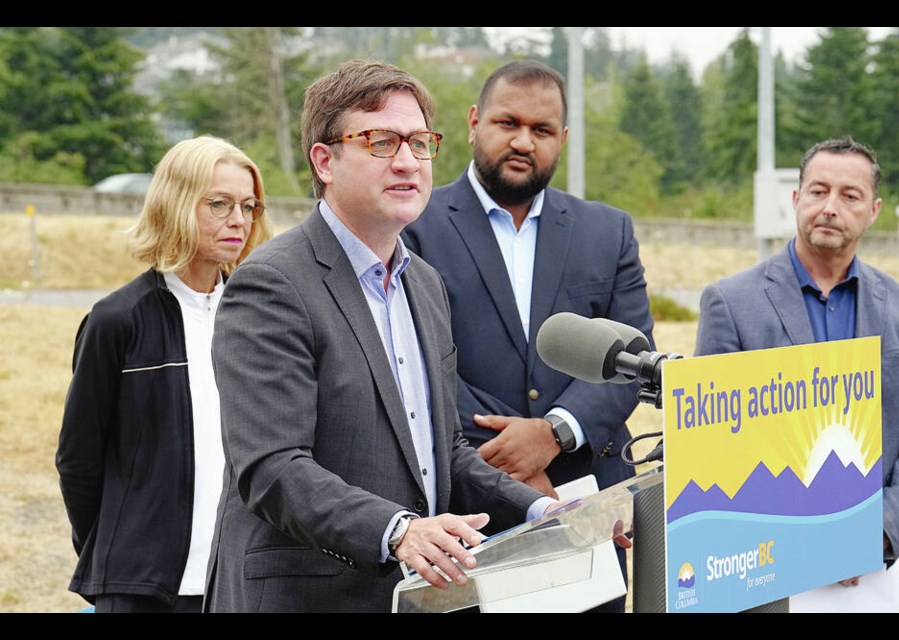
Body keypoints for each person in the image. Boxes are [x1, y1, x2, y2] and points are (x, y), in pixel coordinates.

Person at [203, 59, 559, 614]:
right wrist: (398, 531)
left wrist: (541, 513)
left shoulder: (425, 284)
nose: (407, 162)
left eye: (419, 143)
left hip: (412, 598)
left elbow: (445, 453)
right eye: (380, 141)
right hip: (308, 597)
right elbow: (272, 467)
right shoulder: (272, 283)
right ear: (324, 160)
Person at [402, 60, 656, 612]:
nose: (523, 141)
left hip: (587, 507)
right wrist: (516, 463)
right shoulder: (414, 225)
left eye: (541, 131)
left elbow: (631, 357)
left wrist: (554, 432)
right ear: (473, 122)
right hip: (466, 508)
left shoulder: (607, 231)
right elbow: (413, 362)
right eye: (507, 123)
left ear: (562, 139)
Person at [695, 137, 899, 581]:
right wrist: (806, 542)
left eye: (850, 195)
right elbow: (712, 446)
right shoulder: (731, 304)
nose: (830, 206)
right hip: (764, 566)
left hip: (877, 570)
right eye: (818, 191)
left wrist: (878, 532)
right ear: (797, 199)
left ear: (873, 210)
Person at [55, 135, 273, 613]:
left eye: (248, 206)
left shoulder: (262, 315)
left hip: (240, 579)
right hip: (141, 586)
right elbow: (79, 459)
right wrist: (116, 551)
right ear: (175, 203)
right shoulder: (118, 319)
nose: (238, 219)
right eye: (219, 203)